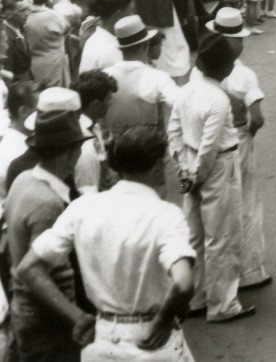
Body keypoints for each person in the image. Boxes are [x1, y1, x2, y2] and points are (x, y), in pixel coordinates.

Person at [16, 125, 199, 360]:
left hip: (104, 338)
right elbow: (183, 283)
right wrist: (164, 318)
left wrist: (78, 317)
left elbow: (28, 268)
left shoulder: (82, 207)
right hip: (152, 338)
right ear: (156, 167)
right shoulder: (166, 214)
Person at [167, 34, 254, 323]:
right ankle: (223, 304)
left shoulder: (185, 91)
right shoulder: (219, 99)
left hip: (190, 162)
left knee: (194, 234)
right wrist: (197, 174)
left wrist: (183, 169)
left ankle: (195, 298)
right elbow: (211, 145)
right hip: (218, 167)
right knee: (222, 236)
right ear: (225, 69)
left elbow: (174, 133)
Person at [6, 107, 89, 361]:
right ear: (71, 153)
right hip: (48, 325)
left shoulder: (23, 179)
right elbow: (41, 275)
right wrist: (79, 318)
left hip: (24, 313)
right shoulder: (48, 203)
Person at [208, 9, 272, 291]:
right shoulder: (243, 73)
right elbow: (257, 118)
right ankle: (250, 271)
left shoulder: (203, 71)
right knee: (247, 202)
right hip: (238, 141)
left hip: (208, 148)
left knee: (214, 208)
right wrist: (247, 131)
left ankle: (215, 278)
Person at [103, 15, 179, 141]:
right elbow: (179, 102)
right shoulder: (157, 77)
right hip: (147, 149)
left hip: (114, 148)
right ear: (146, 46)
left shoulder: (105, 74)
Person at [23, 0, 70, 87]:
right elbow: (67, 28)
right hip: (54, 60)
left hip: (35, 61)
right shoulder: (53, 15)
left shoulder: (24, 16)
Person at [78, 0, 132, 74]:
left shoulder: (97, 38)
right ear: (118, 14)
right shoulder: (110, 51)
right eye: (130, 12)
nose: (133, 17)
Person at [2, 0, 33, 82]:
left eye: (27, 9)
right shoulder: (5, 39)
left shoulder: (20, 26)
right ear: (8, 14)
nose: (27, 13)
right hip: (16, 89)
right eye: (22, 11)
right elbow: (7, 75)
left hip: (27, 81)